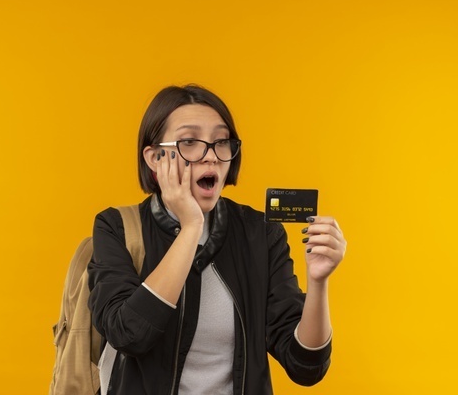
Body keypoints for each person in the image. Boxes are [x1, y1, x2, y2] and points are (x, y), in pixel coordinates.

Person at [87, 84, 347, 394]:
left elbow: (305, 367)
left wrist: (319, 282)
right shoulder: (116, 227)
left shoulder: (260, 234)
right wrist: (191, 226)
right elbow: (130, 334)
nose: (210, 156)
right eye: (189, 142)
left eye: (221, 141)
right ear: (155, 158)